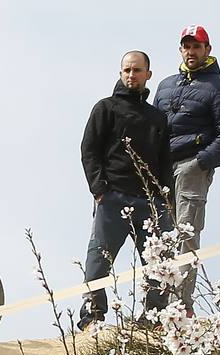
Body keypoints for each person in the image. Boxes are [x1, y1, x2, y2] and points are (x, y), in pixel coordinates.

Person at [76, 50, 175, 330]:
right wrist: (99, 190)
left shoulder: (157, 117)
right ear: (120, 73)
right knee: (99, 258)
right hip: (113, 197)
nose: (131, 75)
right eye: (127, 70)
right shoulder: (105, 107)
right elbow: (89, 150)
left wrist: (164, 195)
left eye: (137, 70)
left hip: (151, 203)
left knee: (156, 262)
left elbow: (165, 159)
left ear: (148, 75)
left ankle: (154, 317)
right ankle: (91, 317)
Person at [153, 25, 220, 310]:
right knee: (157, 235)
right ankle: (155, 305)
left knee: (186, 232)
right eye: (187, 46)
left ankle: (180, 304)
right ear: (181, 49)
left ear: (207, 50)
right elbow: (153, 127)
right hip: (161, 168)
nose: (191, 51)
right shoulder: (165, 85)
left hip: (192, 165)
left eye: (197, 46)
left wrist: (201, 163)